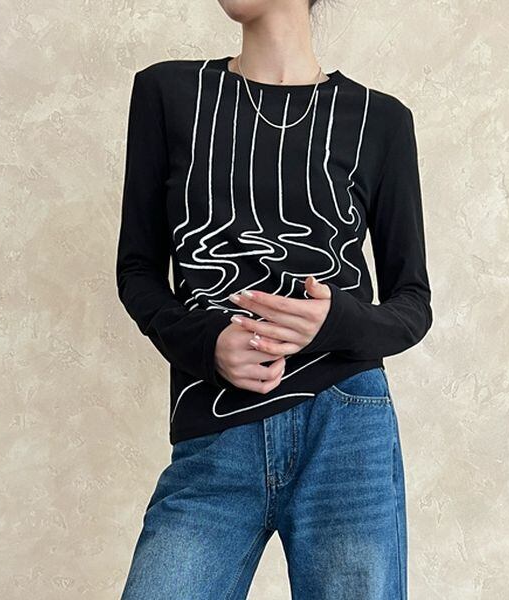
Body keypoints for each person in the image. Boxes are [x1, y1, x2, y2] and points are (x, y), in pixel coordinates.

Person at [116, 1, 432, 598]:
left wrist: (333, 322)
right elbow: (137, 270)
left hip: (345, 426)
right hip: (213, 425)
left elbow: (412, 303)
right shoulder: (169, 94)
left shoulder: (380, 119)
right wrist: (207, 343)